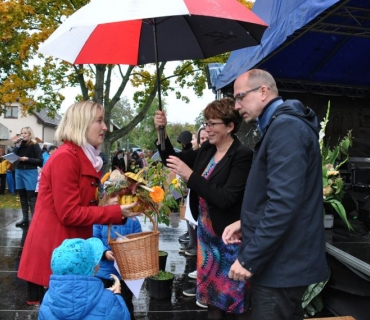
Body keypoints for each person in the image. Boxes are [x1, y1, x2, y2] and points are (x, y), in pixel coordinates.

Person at [222, 69, 329, 320]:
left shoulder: (285, 128)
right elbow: (283, 196)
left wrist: (249, 259)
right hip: (283, 264)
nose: (237, 106)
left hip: (281, 267)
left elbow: (283, 204)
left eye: (240, 97)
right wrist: (246, 223)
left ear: (263, 92)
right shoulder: (281, 125)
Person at [17, 101, 140, 305]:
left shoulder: (81, 156)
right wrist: (115, 212)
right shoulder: (66, 158)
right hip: (56, 250)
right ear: (82, 124)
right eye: (99, 121)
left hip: (70, 245)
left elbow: (83, 204)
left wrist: (110, 201)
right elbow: (70, 213)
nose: (105, 128)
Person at [154, 98, 253, 319]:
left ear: (230, 126)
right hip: (206, 238)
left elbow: (226, 198)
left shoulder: (242, 155)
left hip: (228, 240)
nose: (207, 130)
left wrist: (190, 176)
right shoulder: (208, 149)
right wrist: (162, 131)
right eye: (206, 123)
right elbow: (172, 159)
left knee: (230, 302)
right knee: (211, 301)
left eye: (212, 124)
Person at [38, 237, 130, 320]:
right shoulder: (109, 300)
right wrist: (118, 297)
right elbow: (122, 316)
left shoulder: (48, 300)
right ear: (93, 268)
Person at [94, 194, 142, 320]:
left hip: (125, 273)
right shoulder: (100, 219)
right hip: (104, 273)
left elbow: (138, 240)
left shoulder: (133, 221)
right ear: (105, 198)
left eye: (120, 196)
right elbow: (95, 239)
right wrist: (104, 253)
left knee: (125, 303)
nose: (116, 199)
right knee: (104, 304)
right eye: (112, 195)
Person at [13, 127, 43, 226]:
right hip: (19, 171)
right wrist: (16, 147)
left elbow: (40, 160)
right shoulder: (19, 144)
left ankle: (34, 220)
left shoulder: (34, 145)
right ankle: (25, 219)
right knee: (22, 195)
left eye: (25, 133)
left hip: (30, 172)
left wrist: (27, 159)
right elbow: (13, 156)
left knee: (31, 197)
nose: (23, 135)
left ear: (30, 134)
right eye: (22, 133)